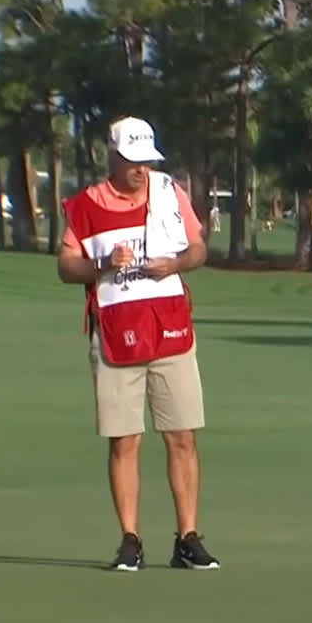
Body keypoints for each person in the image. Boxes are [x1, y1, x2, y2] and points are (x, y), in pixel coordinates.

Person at [57, 116, 221, 572]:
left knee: (182, 436)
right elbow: (66, 266)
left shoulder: (169, 192)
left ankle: (188, 539)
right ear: (112, 156)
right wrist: (103, 264)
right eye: (132, 160)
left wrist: (176, 264)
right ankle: (130, 540)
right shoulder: (87, 205)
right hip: (115, 333)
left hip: (171, 330)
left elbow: (198, 249)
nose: (141, 169)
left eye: (146, 160)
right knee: (124, 440)